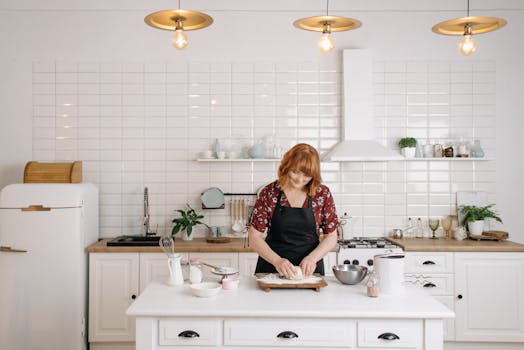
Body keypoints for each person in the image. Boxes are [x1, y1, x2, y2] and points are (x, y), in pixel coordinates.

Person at [248, 143, 339, 279]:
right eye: (295, 172)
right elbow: (254, 237)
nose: (299, 179)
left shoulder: (322, 194)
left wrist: (312, 258)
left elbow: (331, 236)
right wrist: (277, 261)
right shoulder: (270, 193)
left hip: (310, 271)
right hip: (272, 269)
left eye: (306, 175)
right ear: (286, 167)